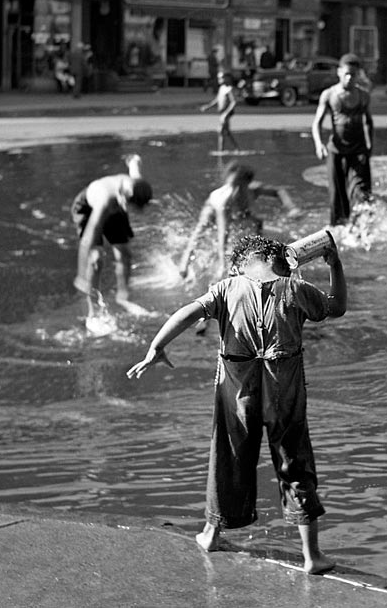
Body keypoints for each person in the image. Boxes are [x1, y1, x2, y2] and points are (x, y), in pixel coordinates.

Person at [126, 233, 347, 575]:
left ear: (244, 263)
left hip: (236, 394)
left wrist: (156, 347)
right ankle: (311, 555)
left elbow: (186, 312)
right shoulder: (297, 290)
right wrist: (335, 265)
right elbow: (337, 306)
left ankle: (212, 534)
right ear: (281, 260)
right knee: (294, 461)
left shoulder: (226, 289)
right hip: (284, 394)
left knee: (227, 457)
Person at [179, 162, 301, 279]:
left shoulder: (252, 189)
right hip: (215, 208)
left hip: (238, 209)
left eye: (239, 186)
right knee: (201, 229)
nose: (236, 190)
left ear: (246, 184)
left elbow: (278, 191)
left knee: (256, 222)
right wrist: (223, 264)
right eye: (233, 185)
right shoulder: (223, 199)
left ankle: (259, 252)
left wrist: (291, 207)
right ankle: (184, 262)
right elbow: (223, 233)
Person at [71, 153, 154, 321]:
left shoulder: (137, 184)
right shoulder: (105, 199)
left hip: (116, 209)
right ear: (124, 199)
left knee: (124, 254)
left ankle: (123, 298)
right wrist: (81, 274)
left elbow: (134, 164)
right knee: (96, 260)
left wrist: (133, 159)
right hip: (87, 209)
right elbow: (87, 239)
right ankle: (93, 311)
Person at [311, 53, 374, 226]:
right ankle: (340, 229)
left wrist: (370, 146)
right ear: (339, 72)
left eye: (353, 74)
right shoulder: (329, 95)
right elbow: (316, 124)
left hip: (358, 151)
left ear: (358, 74)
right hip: (336, 151)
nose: (349, 78)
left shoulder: (363, 96)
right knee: (336, 197)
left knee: (361, 192)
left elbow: (368, 122)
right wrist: (319, 144)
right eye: (346, 73)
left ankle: (362, 228)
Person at [200, 70, 240, 153]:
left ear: (227, 78)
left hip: (226, 113)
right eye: (218, 78)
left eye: (221, 78)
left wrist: (226, 113)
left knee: (221, 130)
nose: (219, 79)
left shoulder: (230, 89)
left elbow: (233, 102)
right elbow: (217, 100)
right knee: (226, 132)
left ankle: (221, 151)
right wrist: (207, 106)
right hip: (222, 113)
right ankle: (236, 148)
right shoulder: (222, 88)